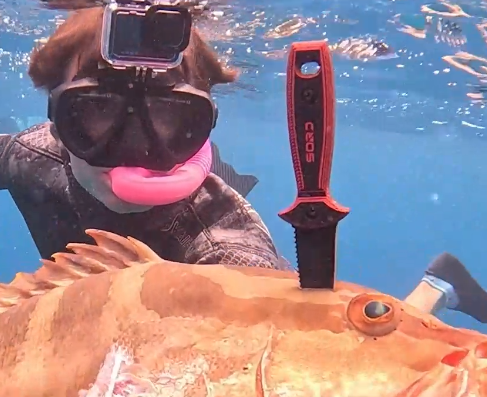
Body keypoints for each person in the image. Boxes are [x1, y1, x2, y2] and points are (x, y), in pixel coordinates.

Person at [0, 2, 282, 269]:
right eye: (99, 109)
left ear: (199, 127)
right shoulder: (30, 157)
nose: (134, 149)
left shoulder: (227, 251)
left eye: (165, 114)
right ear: (58, 127)